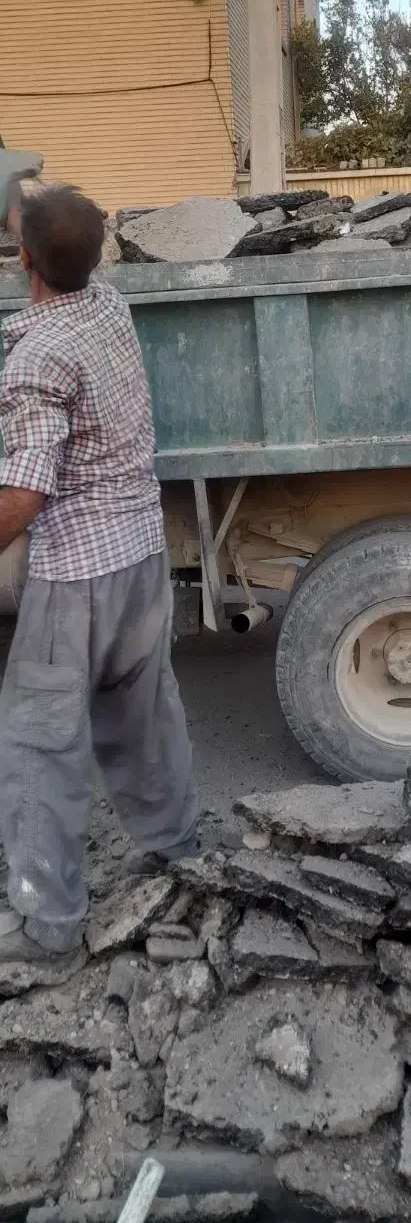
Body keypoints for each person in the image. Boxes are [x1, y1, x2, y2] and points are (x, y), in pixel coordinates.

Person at [0, 180, 197, 970]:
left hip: (75, 573)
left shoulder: (36, 360)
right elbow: (63, 259)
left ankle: (46, 929)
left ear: (23, 259)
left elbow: (24, 492)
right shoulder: (107, 308)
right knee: (144, 716)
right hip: (140, 552)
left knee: (42, 745)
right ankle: (178, 858)